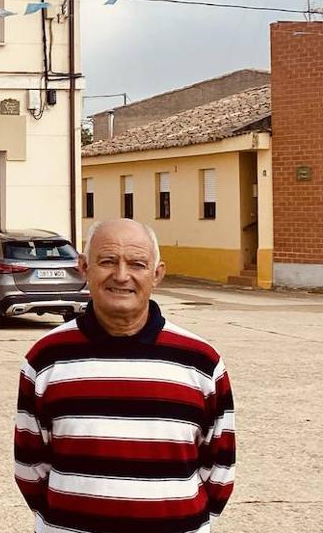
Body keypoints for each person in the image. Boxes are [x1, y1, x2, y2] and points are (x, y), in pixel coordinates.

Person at [14, 218, 236, 533]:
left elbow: (220, 470)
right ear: (84, 267)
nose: (121, 275)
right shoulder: (45, 359)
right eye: (107, 261)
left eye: (137, 264)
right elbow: (30, 467)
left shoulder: (201, 362)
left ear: (157, 273)